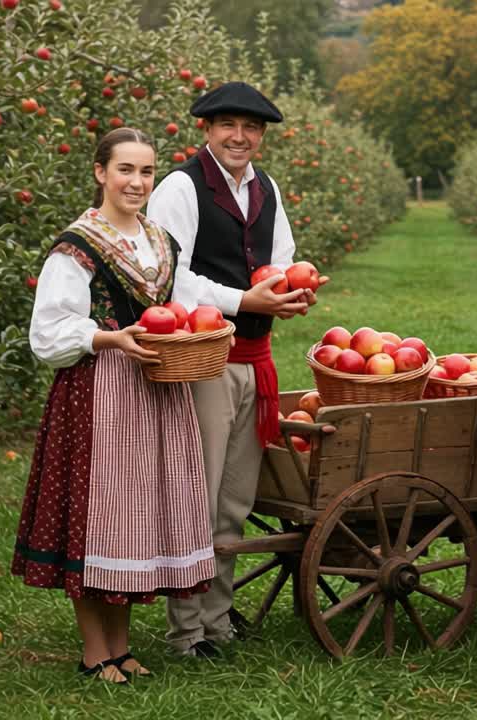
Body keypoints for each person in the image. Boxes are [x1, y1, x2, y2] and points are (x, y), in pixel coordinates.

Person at [11, 127, 217, 683]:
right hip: (100, 391)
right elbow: (48, 332)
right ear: (100, 172)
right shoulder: (77, 246)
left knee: (136, 517)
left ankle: (122, 648)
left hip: (157, 389)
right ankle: (93, 650)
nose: (136, 181)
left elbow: (188, 303)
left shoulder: (158, 240)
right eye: (125, 169)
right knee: (97, 518)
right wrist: (110, 337)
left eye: (146, 171)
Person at [148, 81, 321, 658]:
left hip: (254, 358)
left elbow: (282, 259)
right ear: (206, 129)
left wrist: (294, 289)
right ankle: (185, 629)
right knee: (197, 490)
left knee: (234, 498)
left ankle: (217, 619)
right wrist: (247, 301)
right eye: (228, 126)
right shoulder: (181, 187)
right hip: (202, 359)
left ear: (262, 135)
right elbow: (168, 276)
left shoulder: (265, 188)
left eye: (251, 128)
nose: (240, 136)